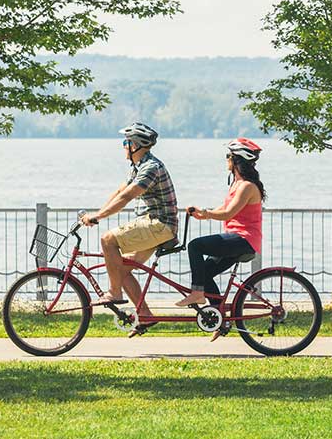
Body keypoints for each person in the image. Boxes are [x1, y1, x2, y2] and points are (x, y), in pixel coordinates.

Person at [79, 122, 178, 325]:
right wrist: (96, 213)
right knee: (119, 268)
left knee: (108, 240)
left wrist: (98, 218)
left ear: (136, 145)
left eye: (126, 142)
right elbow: (119, 192)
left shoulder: (150, 168)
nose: (123, 146)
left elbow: (127, 198)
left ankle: (114, 293)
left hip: (160, 225)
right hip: (155, 225)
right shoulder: (138, 167)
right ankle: (146, 315)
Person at [176, 138, 266, 308]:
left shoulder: (247, 186)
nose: (226, 159)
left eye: (228, 156)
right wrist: (201, 213)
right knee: (204, 273)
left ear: (237, 160)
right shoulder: (237, 184)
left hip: (244, 239)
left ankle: (197, 293)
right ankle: (218, 316)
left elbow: (227, 213)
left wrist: (207, 214)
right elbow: (225, 208)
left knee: (195, 246)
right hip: (236, 238)